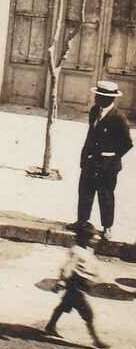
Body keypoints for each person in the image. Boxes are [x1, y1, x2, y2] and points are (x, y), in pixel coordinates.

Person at [70, 81, 131, 241]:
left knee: (105, 196)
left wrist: (111, 158)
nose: (96, 98)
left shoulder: (119, 118)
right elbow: (91, 135)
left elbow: (127, 144)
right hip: (91, 161)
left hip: (107, 166)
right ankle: (82, 222)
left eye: (100, 96)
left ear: (110, 99)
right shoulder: (94, 111)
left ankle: (107, 228)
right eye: (97, 95)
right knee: (85, 192)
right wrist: (84, 157)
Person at [45, 222, 110, 349]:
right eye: (90, 236)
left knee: (64, 305)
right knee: (88, 314)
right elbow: (68, 267)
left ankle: (50, 326)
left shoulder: (86, 250)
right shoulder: (77, 251)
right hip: (76, 286)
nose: (93, 239)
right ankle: (96, 340)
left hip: (80, 286)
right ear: (83, 238)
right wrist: (62, 281)